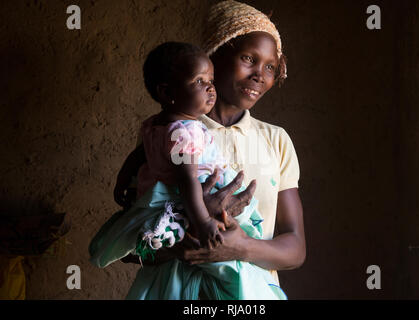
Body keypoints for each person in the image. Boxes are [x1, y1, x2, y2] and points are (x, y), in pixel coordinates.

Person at [111, 0, 306, 297]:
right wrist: (185, 234)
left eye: (270, 67)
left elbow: (295, 249)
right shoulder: (170, 133)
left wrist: (241, 248)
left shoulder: (276, 141)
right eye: (248, 58)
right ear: (215, 56)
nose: (260, 75)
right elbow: (130, 244)